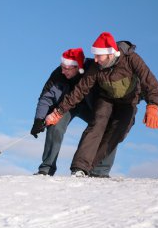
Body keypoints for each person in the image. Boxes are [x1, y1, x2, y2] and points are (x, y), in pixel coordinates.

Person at [45, 32, 158, 177]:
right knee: (97, 125)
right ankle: (79, 168)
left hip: (128, 102)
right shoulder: (96, 67)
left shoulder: (132, 59)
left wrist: (153, 106)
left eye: (99, 55)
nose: (95, 59)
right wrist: (59, 112)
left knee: (118, 131)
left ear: (110, 54)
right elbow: (79, 90)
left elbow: (150, 81)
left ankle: (95, 170)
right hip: (106, 99)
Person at [31, 48, 116, 177]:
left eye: (67, 68)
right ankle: (47, 168)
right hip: (67, 106)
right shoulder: (58, 75)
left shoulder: (93, 69)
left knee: (109, 127)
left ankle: (100, 171)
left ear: (78, 67)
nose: (63, 70)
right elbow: (45, 98)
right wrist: (38, 119)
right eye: (62, 66)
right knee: (56, 125)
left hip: (91, 106)